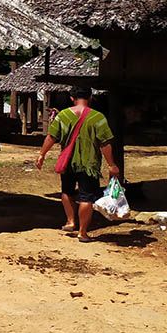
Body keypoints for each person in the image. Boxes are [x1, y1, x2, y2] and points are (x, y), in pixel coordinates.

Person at [35, 87, 120, 243]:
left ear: (72, 98)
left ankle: (70, 221)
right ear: (91, 97)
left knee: (66, 191)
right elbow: (105, 143)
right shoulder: (98, 117)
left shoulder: (63, 115)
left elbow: (51, 137)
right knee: (87, 197)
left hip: (67, 162)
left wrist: (42, 154)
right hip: (89, 164)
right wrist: (111, 164)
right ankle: (82, 232)